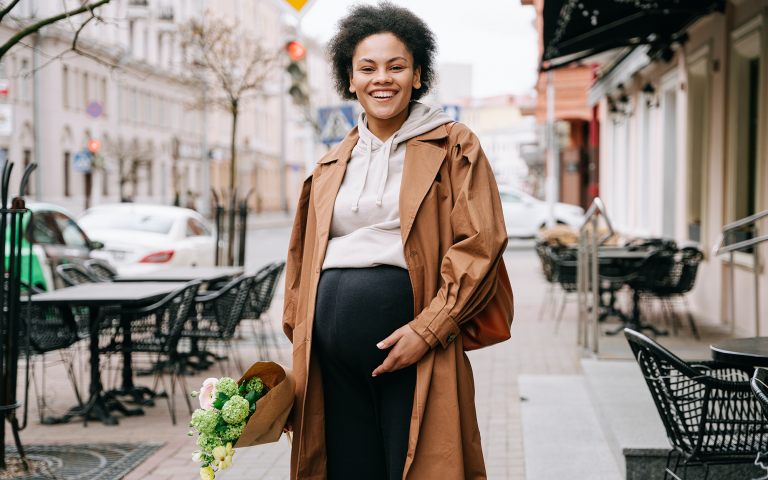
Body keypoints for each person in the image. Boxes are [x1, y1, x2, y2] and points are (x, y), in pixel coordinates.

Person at [282, 3, 507, 480]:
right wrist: (302, 350)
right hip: (332, 367)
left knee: (423, 467)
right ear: (350, 79)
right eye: (367, 68)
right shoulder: (330, 165)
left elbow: (481, 244)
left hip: (416, 352)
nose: (381, 79)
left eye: (396, 66)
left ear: (418, 74)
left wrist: (427, 330)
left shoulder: (453, 146)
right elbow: (301, 268)